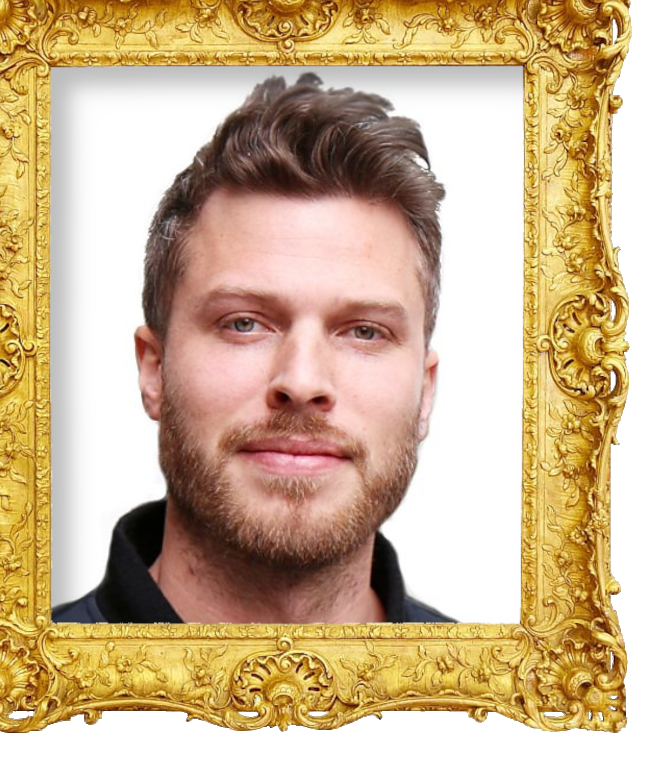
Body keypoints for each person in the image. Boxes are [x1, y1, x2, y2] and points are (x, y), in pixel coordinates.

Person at [53, 73, 452, 625]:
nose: (303, 381)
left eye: (364, 331)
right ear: (154, 370)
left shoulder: (509, 695)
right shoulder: (8, 687)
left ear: (424, 392)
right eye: (244, 323)